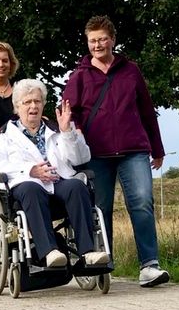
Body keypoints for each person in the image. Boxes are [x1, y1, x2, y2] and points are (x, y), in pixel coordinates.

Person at [60, 15, 169, 288]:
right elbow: (66, 112)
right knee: (101, 208)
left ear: (113, 40)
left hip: (134, 149)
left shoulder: (131, 70)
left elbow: (147, 111)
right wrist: (75, 133)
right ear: (87, 43)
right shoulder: (79, 76)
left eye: (102, 39)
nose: (97, 45)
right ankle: (103, 262)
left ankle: (149, 265)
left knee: (142, 202)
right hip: (96, 153)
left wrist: (157, 148)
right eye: (92, 41)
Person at [0, 79, 110, 284]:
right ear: (17, 107)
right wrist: (30, 171)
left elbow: (80, 158)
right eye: (27, 102)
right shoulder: (4, 136)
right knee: (31, 188)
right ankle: (50, 252)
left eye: (37, 101)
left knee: (77, 185)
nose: (33, 106)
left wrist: (68, 133)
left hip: (58, 183)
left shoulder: (56, 129)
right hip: (26, 188)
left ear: (43, 105)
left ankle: (87, 252)